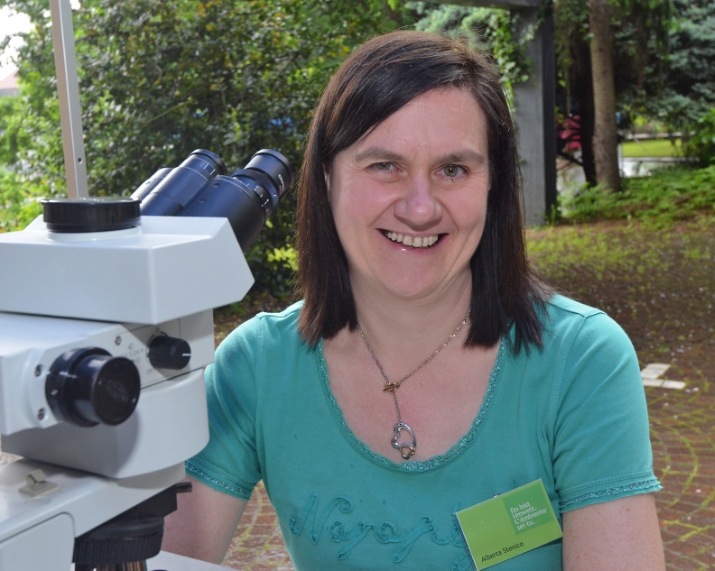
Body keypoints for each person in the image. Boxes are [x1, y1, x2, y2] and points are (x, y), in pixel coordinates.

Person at [163, 31, 665, 570]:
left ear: (492, 184)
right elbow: (160, 557)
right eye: (385, 165)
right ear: (328, 177)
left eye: (453, 170)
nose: (420, 209)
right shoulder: (258, 367)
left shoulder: (581, 362)